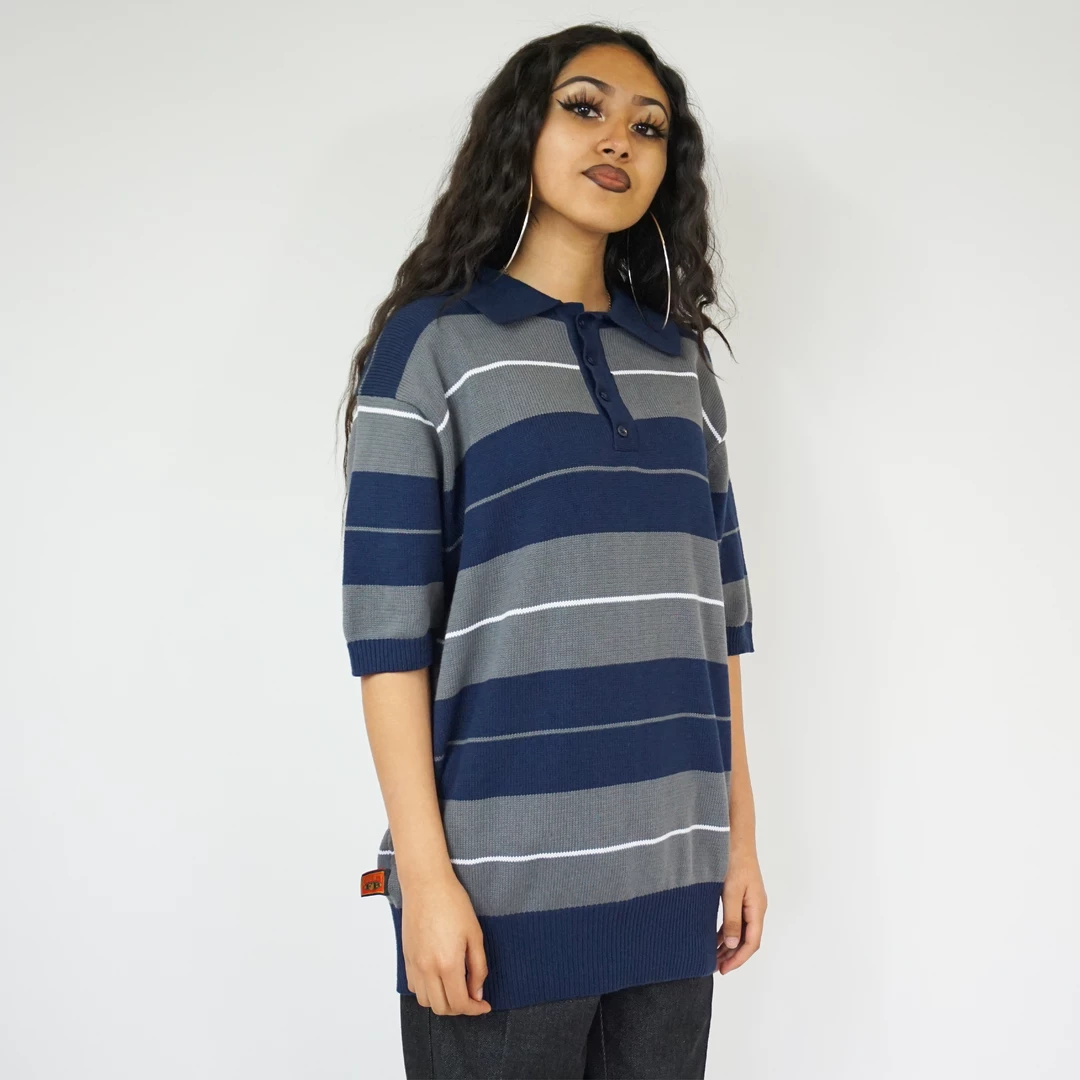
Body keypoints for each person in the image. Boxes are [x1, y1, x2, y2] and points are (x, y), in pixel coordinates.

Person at [338, 22, 767, 1080]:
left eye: (649, 126)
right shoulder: (435, 346)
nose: (618, 138)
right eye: (585, 108)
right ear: (520, 131)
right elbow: (387, 642)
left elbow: (718, 624)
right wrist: (425, 883)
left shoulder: (679, 366)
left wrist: (740, 842)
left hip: (673, 884)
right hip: (498, 899)